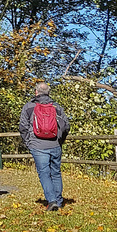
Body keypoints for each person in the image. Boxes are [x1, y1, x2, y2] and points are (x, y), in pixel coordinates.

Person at [19, 81, 71, 210]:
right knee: (56, 173)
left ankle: (52, 201)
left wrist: (28, 143)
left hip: (37, 146)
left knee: (44, 174)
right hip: (55, 144)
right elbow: (66, 126)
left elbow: (23, 127)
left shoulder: (29, 107)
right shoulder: (56, 107)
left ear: (36, 92)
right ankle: (58, 202)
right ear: (48, 92)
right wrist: (60, 140)